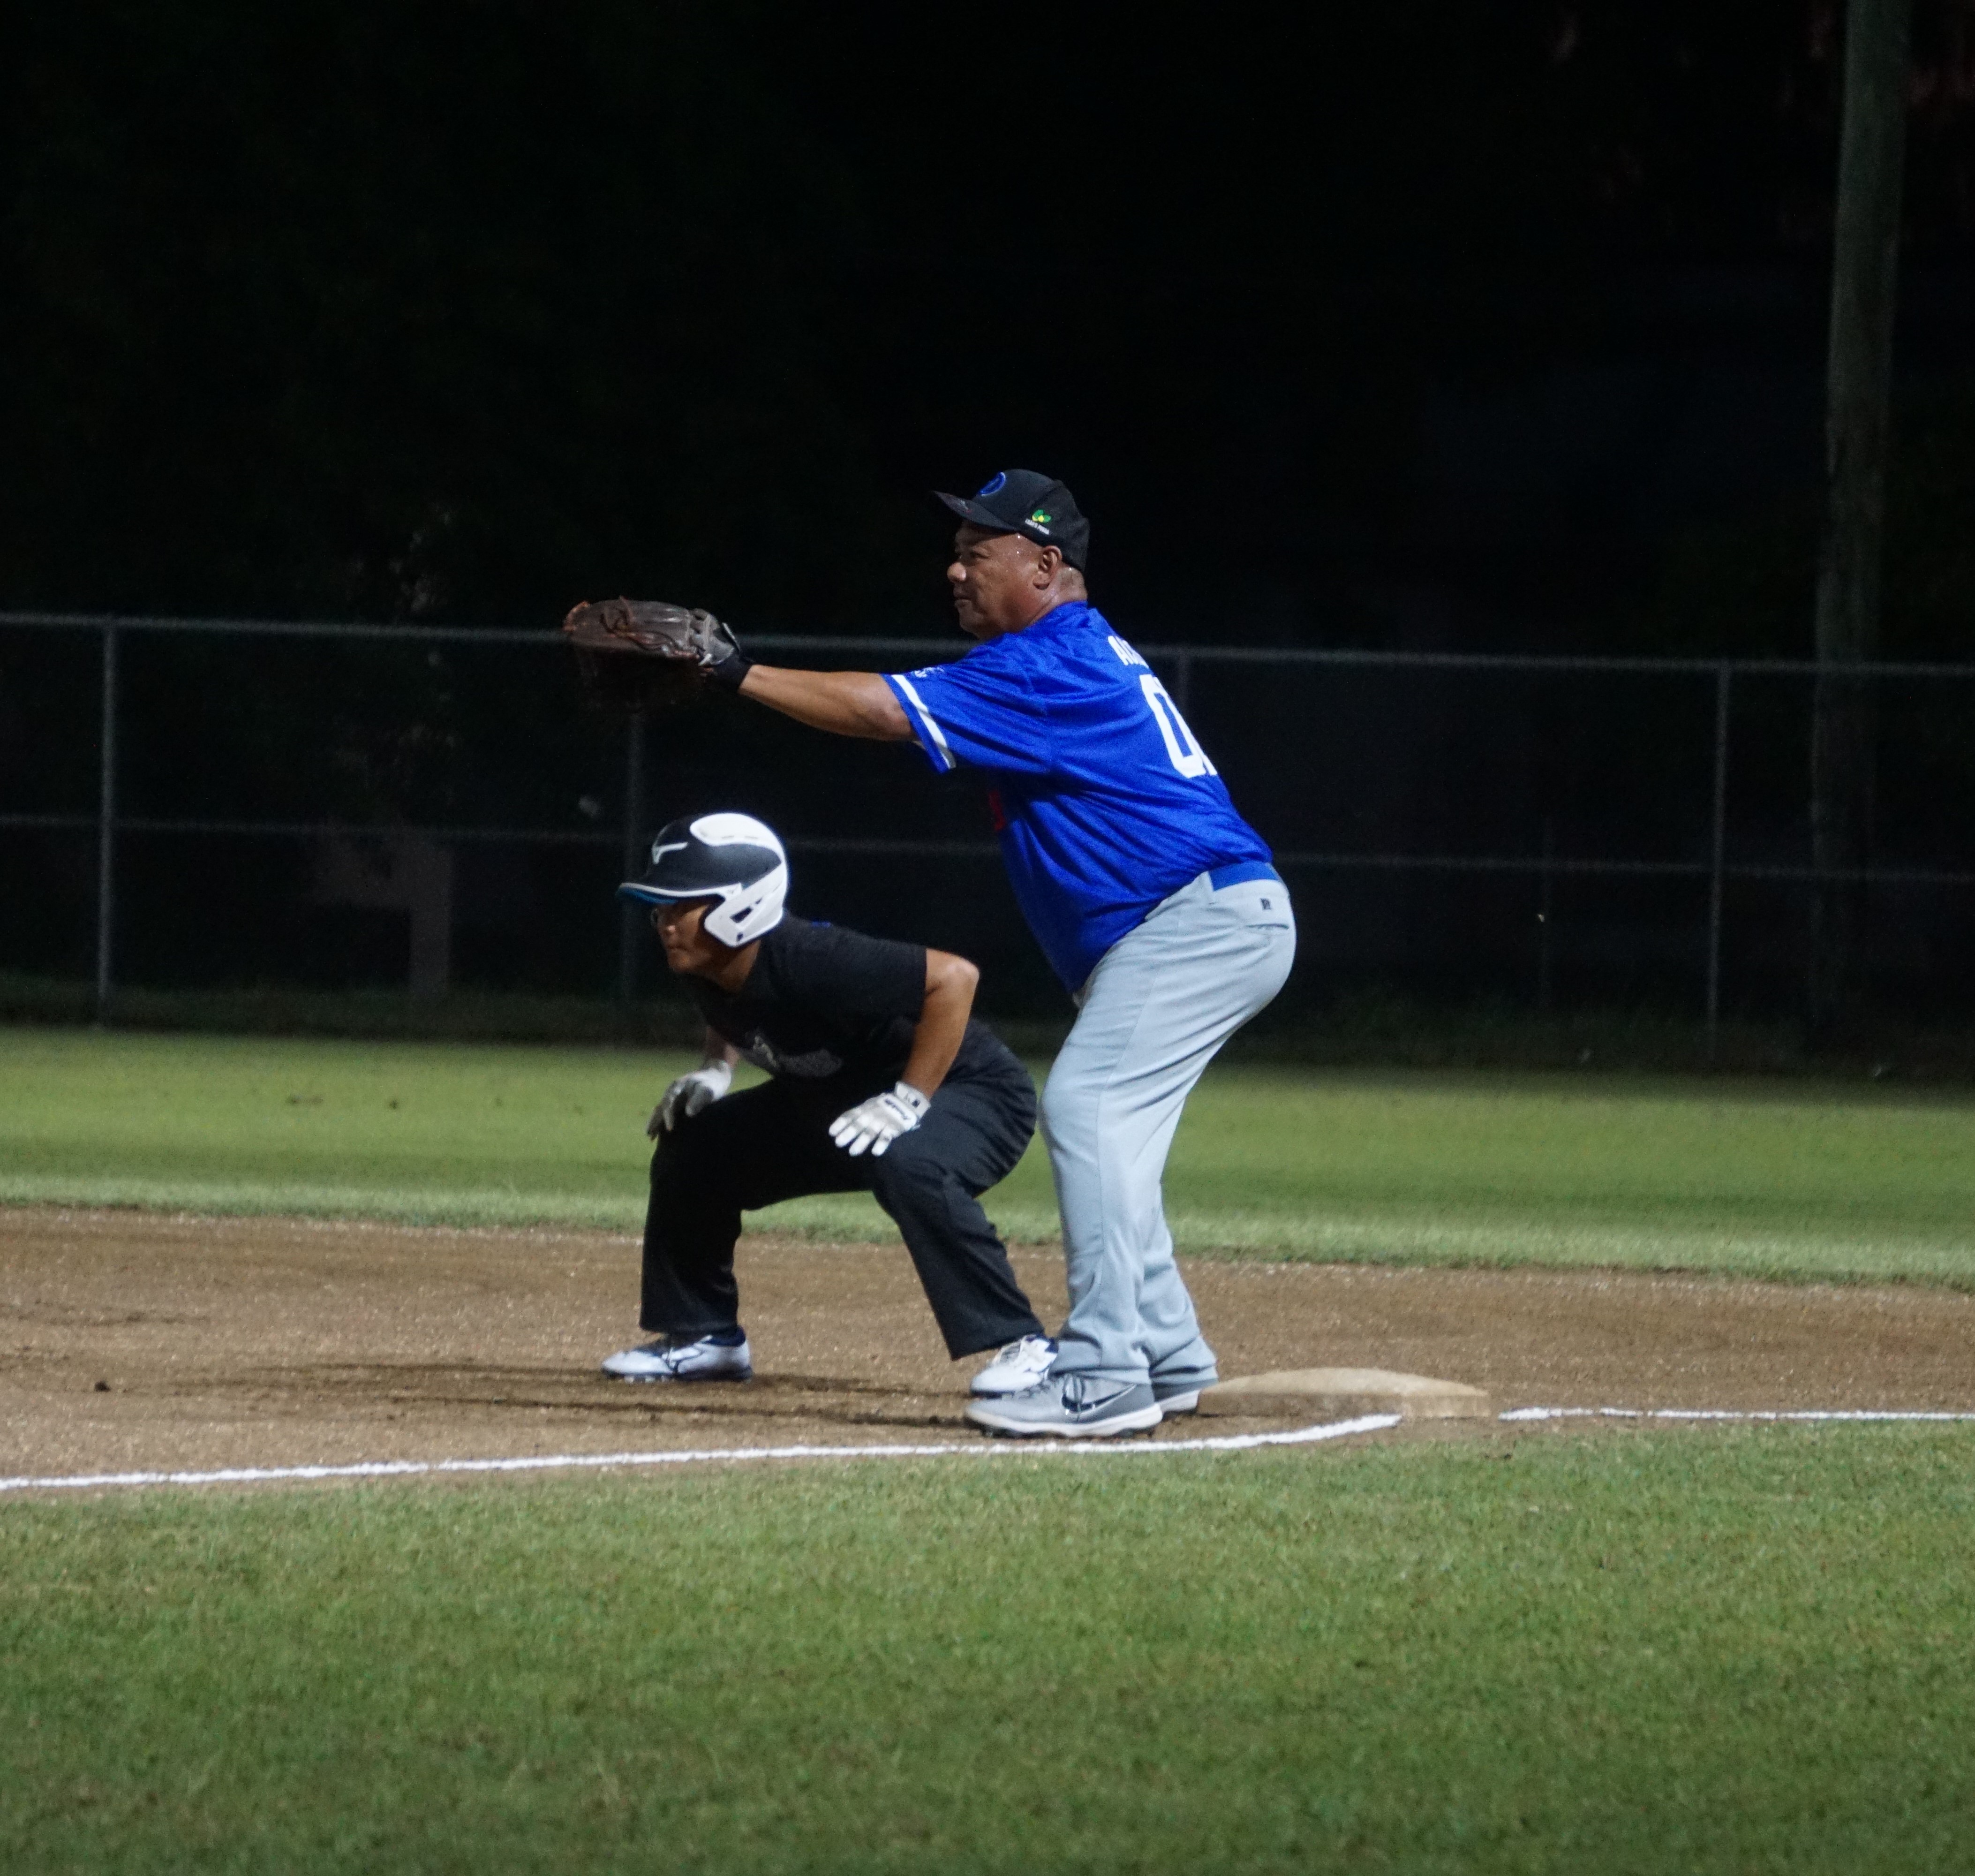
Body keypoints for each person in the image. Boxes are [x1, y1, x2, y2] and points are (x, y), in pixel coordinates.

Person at [691, 471, 1296, 1437]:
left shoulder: (1049, 663)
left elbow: (884, 711)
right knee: (1118, 1141)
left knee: (1090, 1107)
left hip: (1198, 919)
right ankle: (1168, 1351)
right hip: (1212, 917)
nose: (957, 569)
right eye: (959, 550)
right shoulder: (1060, 656)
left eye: (981, 552)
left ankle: (1102, 1372)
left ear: (1046, 565)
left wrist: (736, 672)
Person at [601, 810, 1055, 1395]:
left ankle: (1029, 1346)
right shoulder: (702, 959)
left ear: (742, 906)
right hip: (841, 1105)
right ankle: (705, 1337)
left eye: (682, 903)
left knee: (910, 1163)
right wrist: (718, 1068)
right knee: (697, 1141)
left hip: (973, 1093)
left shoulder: (815, 959)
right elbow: (730, 1008)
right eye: (660, 904)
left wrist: (909, 1100)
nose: (663, 919)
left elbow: (954, 979)